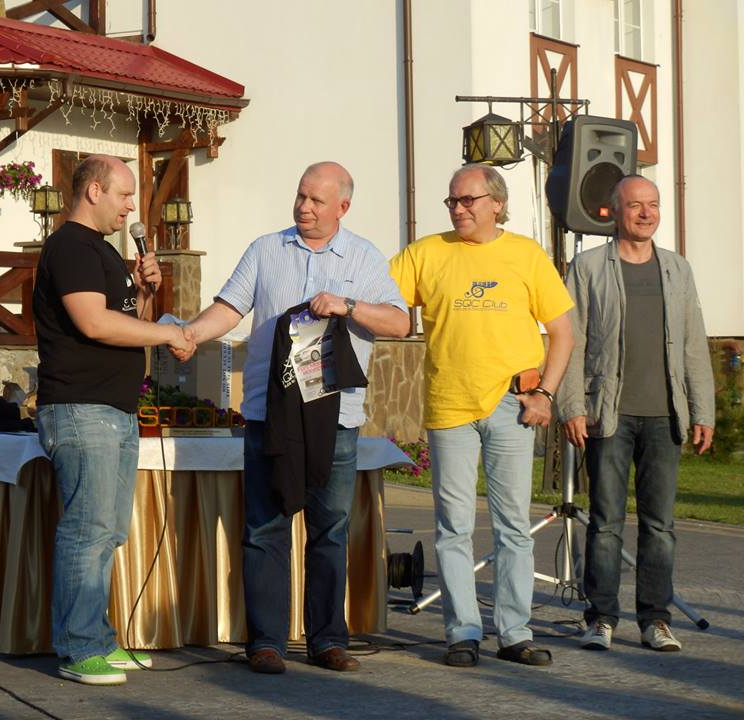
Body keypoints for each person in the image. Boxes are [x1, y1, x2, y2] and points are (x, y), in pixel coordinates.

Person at [180, 161, 409, 674]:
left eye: (316, 201)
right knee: (265, 527)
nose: (304, 207)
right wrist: (190, 333)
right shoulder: (265, 250)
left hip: (337, 420)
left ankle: (327, 640)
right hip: (271, 414)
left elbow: (399, 322)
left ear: (343, 207)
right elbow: (229, 308)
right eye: (301, 196)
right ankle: (266, 642)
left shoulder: (365, 257)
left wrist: (348, 305)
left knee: (330, 530)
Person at [389, 164, 574, 668]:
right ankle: (463, 633)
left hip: (512, 405)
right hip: (449, 405)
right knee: (453, 525)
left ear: (497, 203)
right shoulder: (425, 253)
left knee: (513, 524)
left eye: (467, 200)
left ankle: (514, 633)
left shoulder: (526, 255)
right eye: (452, 201)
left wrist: (546, 394)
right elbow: (379, 296)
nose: (458, 209)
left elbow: (562, 332)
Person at [33, 154, 193, 686]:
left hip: (113, 408)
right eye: (124, 195)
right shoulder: (71, 246)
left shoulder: (102, 250)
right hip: (82, 408)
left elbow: (124, 326)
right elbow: (94, 324)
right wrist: (169, 332)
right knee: (87, 530)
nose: (131, 208)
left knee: (106, 531)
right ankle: (77, 647)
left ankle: (97, 637)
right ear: (94, 191)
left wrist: (144, 297)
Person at [556, 175, 715, 652]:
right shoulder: (587, 267)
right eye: (635, 206)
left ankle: (655, 620)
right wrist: (572, 405)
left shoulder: (677, 268)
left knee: (659, 525)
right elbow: (571, 339)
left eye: (653, 205)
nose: (646, 213)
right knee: (606, 522)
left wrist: (703, 410)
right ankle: (601, 618)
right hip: (608, 415)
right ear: (614, 212)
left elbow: (693, 343)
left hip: (665, 415)